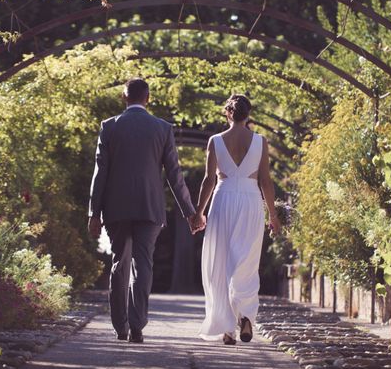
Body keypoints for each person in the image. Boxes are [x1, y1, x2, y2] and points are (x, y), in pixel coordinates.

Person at [87, 78, 206, 343]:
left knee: (119, 263)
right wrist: (190, 212)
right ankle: (138, 325)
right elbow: (175, 175)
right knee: (143, 264)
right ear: (148, 98)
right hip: (150, 208)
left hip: (115, 208)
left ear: (123, 97)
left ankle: (120, 326)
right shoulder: (162, 128)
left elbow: (100, 172)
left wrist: (94, 213)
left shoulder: (109, 127)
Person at [196, 94, 281, 345]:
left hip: (222, 202)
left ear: (227, 113)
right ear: (248, 114)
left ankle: (227, 328)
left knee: (221, 264)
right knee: (245, 261)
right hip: (250, 202)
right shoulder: (260, 141)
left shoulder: (215, 140)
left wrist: (199, 212)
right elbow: (265, 181)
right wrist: (273, 215)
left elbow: (209, 180)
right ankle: (244, 315)